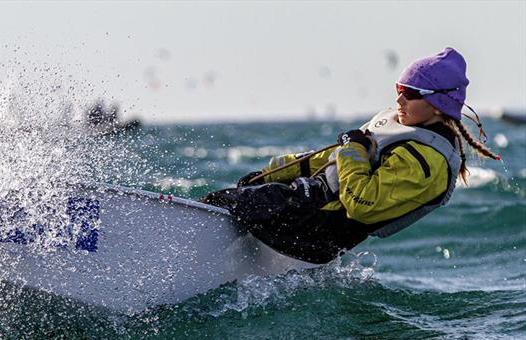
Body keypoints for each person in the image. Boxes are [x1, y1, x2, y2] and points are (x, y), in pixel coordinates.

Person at [201, 47, 500, 264]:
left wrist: (354, 148)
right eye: (398, 88)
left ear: (437, 104)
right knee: (247, 189)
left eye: (410, 93)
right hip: (307, 206)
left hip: (317, 231)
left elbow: (362, 205)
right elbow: (332, 158)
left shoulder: (427, 162)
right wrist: (273, 172)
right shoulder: (401, 125)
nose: (399, 98)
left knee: (226, 201)